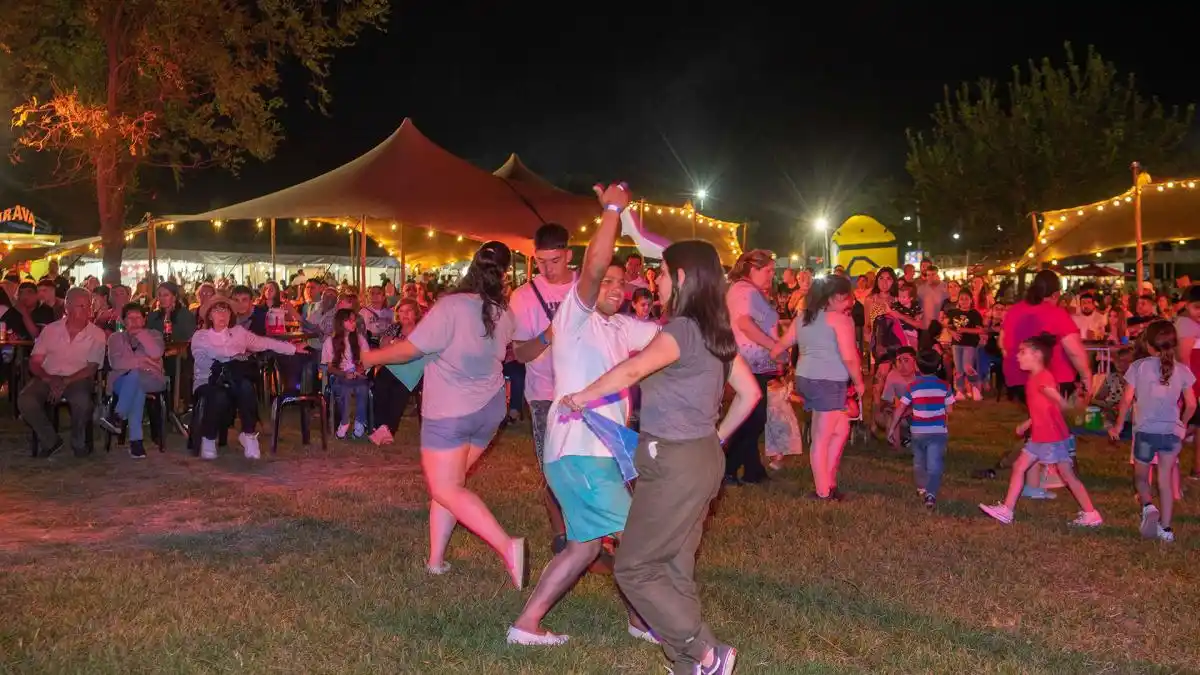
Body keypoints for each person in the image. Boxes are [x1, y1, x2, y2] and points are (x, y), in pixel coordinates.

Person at [560, 239, 760, 675]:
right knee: (673, 566)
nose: (658, 281)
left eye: (665, 274)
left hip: (673, 463)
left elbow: (633, 371)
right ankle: (690, 664)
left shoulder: (681, 330)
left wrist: (581, 397)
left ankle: (705, 650)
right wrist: (716, 438)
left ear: (683, 278)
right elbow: (750, 393)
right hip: (703, 460)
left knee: (634, 567)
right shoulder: (715, 333)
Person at [508, 182, 661, 646]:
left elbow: (670, 338)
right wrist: (613, 209)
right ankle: (651, 620)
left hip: (586, 453)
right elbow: (594, 265)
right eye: (606, 282)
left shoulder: (621, 326)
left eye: (621, 282)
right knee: (640, 538)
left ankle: (526, 625)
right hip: (580, 450)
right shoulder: (575, 318)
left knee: (584, 546)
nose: (613, 288)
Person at [363, 241, 527, 589]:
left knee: (446, 487)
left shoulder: (450, 306)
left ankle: (508, 547)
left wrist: (371, 358)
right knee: (450, 487)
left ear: (471, 266)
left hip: (451, 410)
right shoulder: (504, 312)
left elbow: (410, 349)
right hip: (490, 408)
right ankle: (436, 561)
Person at [979, 333, 1102, 527]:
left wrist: (1064, 403)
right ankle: (1007, 509)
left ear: (1036, 355)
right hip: (1044, 435)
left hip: (1048, 437)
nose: (1018, 356)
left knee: (1066, 475)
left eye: (1022, 352)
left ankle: (1091, 513)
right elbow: (1043, 407)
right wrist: (1027, 424)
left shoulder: (1042, 377)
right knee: (1022, 467)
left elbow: (1051, 395)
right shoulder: (1035, 377)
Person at [510, 223, 577, 554]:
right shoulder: (523, 297)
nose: (547, 268)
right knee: (551, 465)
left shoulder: (586, 289)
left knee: (586, 463)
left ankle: (587, 528)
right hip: (543, 393)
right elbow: (519, 353)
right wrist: (549, 334)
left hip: (586, 391)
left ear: (569, 254)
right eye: (541, 261)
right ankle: (562, 534)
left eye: (554, 260)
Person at [773, 274, 864, 500]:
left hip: (808, 378)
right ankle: (824, 491)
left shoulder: (803, 316)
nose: (850, 302)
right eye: (846, 297)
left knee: (840, 428)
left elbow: (782, 345)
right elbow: (850, 357)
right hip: (828, 381)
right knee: (822, 436)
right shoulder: (840, 320)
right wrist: (860, 382)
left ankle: (828, 480)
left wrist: (775, 358)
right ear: (834, 297)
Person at [1111, 321, 1195, 542]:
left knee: (1141, 478)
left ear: (1148, 345)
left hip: (1145, 433)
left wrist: (1118, 425)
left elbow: (1126, 400)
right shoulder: (1183, 371)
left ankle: (1148, 506)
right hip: (1171, 435)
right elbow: (1192, 405)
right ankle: (1166, 530)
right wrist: (1182, 424)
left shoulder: (1138, 367)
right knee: (1165, 482)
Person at [190, 297, 303, 459]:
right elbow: (204, 360)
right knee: (220, 394)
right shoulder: (200, 336)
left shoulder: (238, 332)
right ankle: (208, 437)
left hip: (235, 380)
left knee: (245, 387)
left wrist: (292, 348)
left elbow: (264, 342)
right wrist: (236, 355)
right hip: (208, 381)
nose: (222, 314)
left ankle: (249, 434)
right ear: (209, 315)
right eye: (217, 310)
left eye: (226, 310)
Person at [18, 287, 107, 457]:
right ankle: (50, 439)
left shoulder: (97, 334)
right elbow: (35, 362)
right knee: (26, 399)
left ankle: (78, 441)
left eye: (88, 305)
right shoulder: (50, 330)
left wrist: (64, 381)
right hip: (48, 375)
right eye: (81, 306)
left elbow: (91, 368)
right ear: (67, 307)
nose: (87, 310)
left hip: (78, 377)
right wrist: (49, 378)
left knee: (82, 401)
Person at [723, 248, 780, 485]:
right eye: (767, 271)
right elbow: (744, 324)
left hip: (753, 362)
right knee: (753, 419)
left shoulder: (747, 290)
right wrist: (775, 347)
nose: (771, 277)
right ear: (752, 269)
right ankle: (727, 467)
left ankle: (753, 470)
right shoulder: (744, 291)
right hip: (749, 363)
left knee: (752, 418)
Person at [889, 348, 955, 510]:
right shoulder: (945, 386)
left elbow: (900, 409)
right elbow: (950, 410)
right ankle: (930, 493)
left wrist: (892, 428)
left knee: (919, 461)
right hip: (937, 432)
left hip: (918, 432)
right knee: (934, 464)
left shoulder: (913, 387)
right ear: (939, 366)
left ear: (917, 367)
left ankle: (922, 487)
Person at [99, 303, 168, 458]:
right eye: (130, 318)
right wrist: (144, 362)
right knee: (136, 381)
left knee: (136, 378)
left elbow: (156, 353)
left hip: (152, 379)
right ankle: (135, 441)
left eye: (139, 317)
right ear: (123, 321)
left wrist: (141, 335)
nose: (135, 321)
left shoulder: (154, 334)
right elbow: (116, 364)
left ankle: (118, 417)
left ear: (144, 320)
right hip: (120, 382)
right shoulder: (115, 338)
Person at [369, 298, 422, 445]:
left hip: (413, 371)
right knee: (380, 383)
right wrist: (393, 342)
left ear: (416, 313)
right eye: (401, 311)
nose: (405, 314)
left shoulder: (423, 328)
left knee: (399, 389)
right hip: (393, 367)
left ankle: (388, 429)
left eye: (409, 310)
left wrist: (400, 344)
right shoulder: (394, 327)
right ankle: (380, 426)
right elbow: (383, 344)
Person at [322, 307, 371, 439]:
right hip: (339, 376)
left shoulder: (360, 339)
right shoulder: (330, 342)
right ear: (341, 323)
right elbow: (330, 368)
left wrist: (360, 370)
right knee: (345, 388)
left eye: (354, 321)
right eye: (350, 321)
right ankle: (344, 422)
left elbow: (366, 361)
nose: (353, 324)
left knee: (362, 387)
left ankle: (360, 422)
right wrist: (344, 374)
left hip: (356, 375)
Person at [945, 292, 984, 401]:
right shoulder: (953, 312)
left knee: (968, 367)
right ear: (958, 300)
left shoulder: (974, 313)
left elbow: (980, 330)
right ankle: (960, 391)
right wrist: (952, 333)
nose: (964, 301)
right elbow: (948, 326)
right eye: (961, 299)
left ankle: (976, 389)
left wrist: (964, 330)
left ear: (971, 300)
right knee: (958, 370)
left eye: (966, 299)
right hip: (956, 344)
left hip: (970, 343)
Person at [874, 346, 917, 439]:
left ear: (915, 361)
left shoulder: (923, 376)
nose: (902, 365)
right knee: (889, 415)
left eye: (906, 360)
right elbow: (886, 400)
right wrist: (889, 408)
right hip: (902, 414)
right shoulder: (893, 376)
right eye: (899, 361)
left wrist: (907, 411)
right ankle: (896, 445)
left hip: (921, 414)